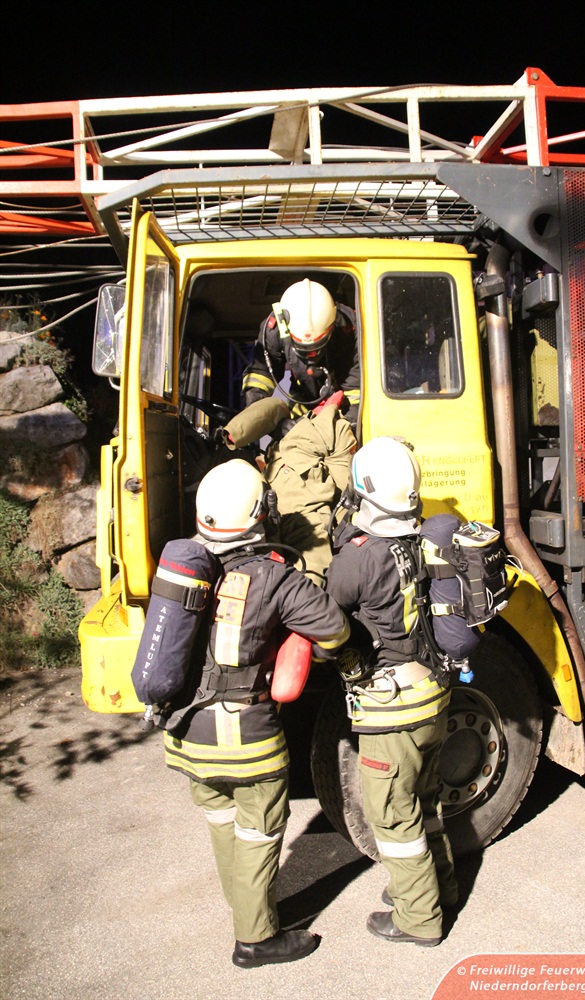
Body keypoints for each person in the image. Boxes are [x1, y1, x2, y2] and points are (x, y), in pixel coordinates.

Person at [153, 460, 350, 968]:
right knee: (259, 829)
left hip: (185, 733)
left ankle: (244, 907)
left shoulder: (185, 567)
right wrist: (299, 646)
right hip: (245, 737)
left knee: (223, 822)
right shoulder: (276, 577)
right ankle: (256, 939)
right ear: (262, 514)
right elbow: (335, 630)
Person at [324, 436, 457, 947]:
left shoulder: (357, 558)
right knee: (424, 801)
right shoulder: (425, 542)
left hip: (392, 709)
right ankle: (436, 888)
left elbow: (327, 624)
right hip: (434, 695)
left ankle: (418, 919)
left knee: (393, 818)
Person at [241, 278, 360, 427]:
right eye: (303, 349)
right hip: (303, 399)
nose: (312, 355)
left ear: (332, 326)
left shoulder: (351, 329)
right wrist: (260, 416)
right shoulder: (274, 329)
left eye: (318, 346)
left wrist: (345, 425)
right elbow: (260, 374)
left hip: (342, 399)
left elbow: (356, 392)